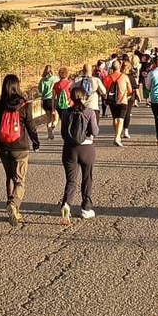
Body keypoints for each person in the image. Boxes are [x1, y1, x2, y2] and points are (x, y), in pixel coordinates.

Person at [0, 74, 40, 227]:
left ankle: (13, 210)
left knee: (10, 177)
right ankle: (14, 205)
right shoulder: (24, 105)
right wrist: (35, 141)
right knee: (20, 180)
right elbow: (30, 125)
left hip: (4, 148)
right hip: (20, 147)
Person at [59, 86, 98, 224]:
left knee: (71, 180)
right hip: (87, 148)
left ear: (71, 97)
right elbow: (95, 131)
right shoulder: (89, 112)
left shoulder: (65, 113)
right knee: (87, 178)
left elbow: (63, 132)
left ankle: (66, 204)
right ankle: (86, 208)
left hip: (69, 149)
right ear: (85, 97)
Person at [105, 60, 131, 147]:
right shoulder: (124, 77)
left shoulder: (108, 77)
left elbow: (105, 89)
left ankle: (116, 135)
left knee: (115, 118)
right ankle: (117, 137)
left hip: (112, 101)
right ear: (120, 67)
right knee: (121, 119)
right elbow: (130, 90)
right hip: (122, 100)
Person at [38, 65, 59, 141]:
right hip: (53, 99)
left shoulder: (42, 80)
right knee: (56, 117)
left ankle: (49, 133)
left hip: (45, 100)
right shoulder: (55, 78)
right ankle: (53, 126)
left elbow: (40, 90)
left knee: (48, 118)